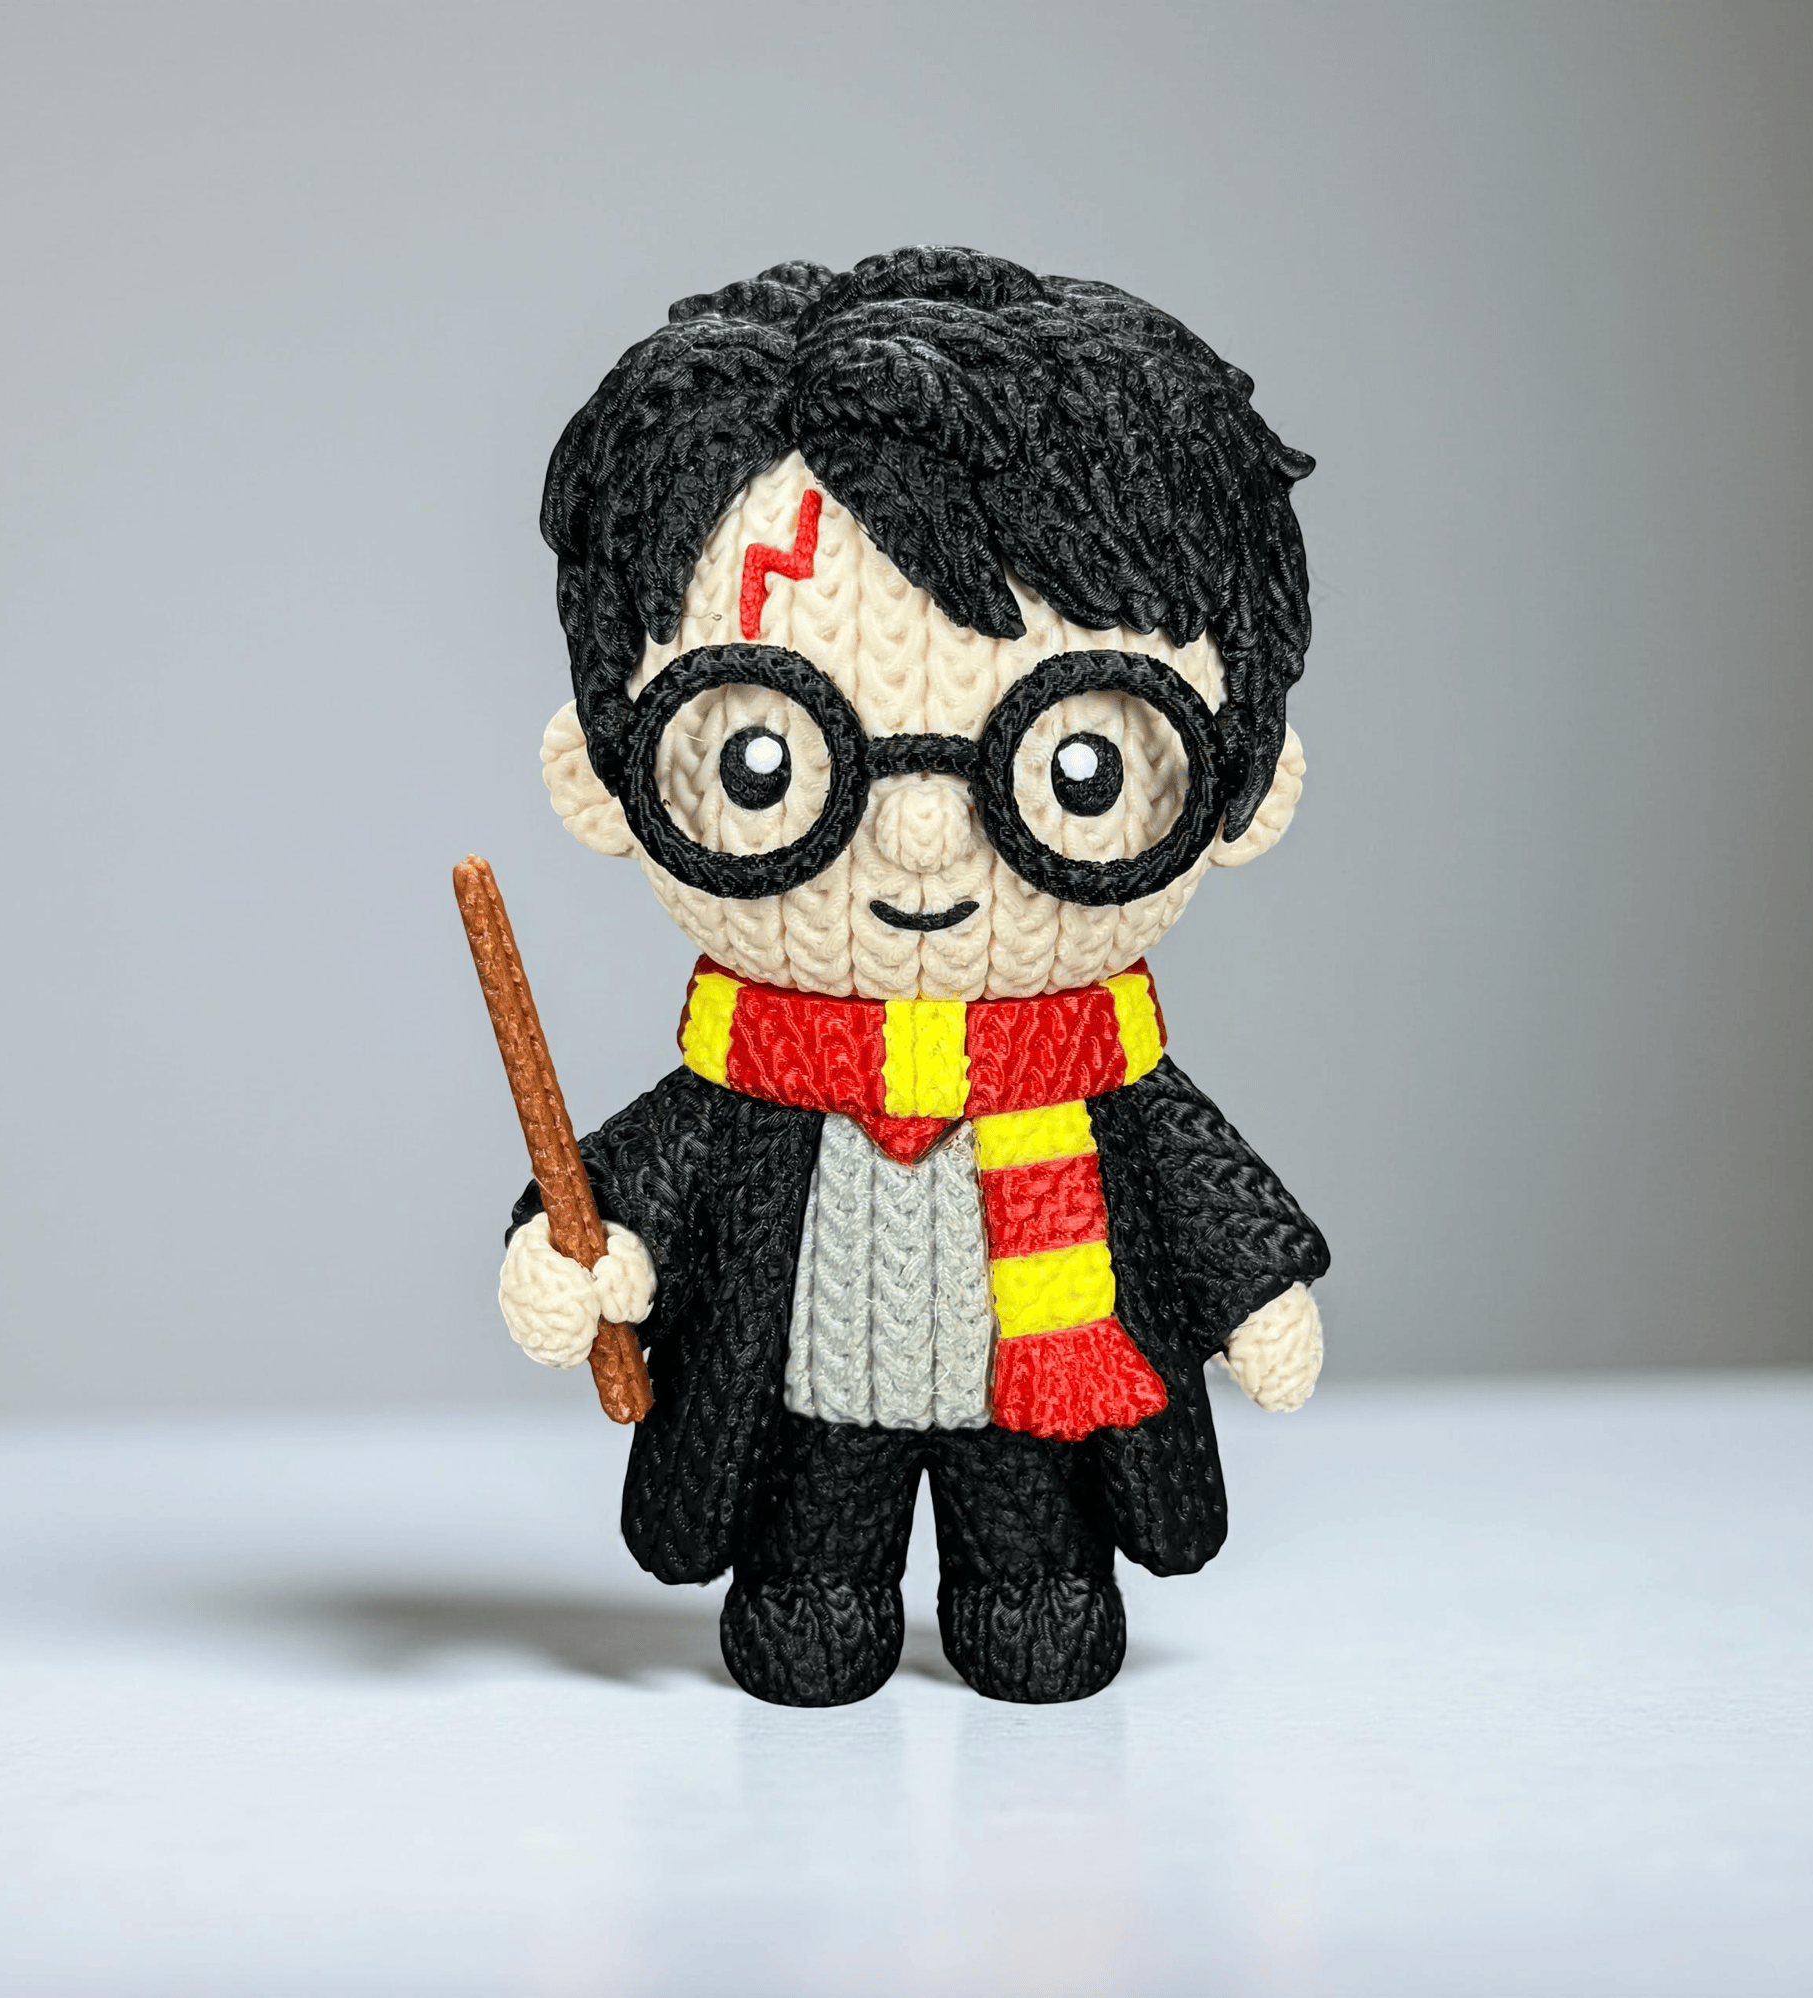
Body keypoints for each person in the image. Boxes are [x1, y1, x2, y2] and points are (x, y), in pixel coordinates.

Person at [496, 247, 1329, 1706]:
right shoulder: (754, 1074)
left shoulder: (1097, 1067)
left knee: (1039, 1590)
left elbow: (1182, 1173)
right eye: (768, 760)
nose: (926, 839)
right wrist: (582, 1249)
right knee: (809, 1590)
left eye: (1074, 765)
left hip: (1037, 1407)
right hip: (809, 1400)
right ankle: (815, 1591)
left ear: (1244, 789)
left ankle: (1033, 1588)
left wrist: (1253, 1288)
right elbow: (653, 1173)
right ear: (602, 774)